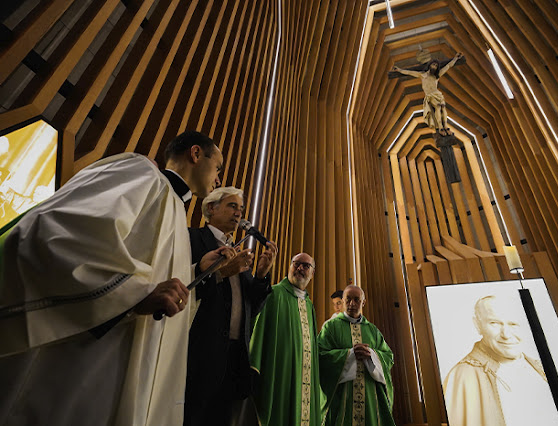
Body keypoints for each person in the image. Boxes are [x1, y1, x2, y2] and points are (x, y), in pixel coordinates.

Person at [0, 131, 234, 426]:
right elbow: (56, 234)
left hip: (129, 360)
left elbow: (154, 280)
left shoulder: (175, 210)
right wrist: (133, 295)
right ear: (196, 154)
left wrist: (196, 271)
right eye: (218, 167)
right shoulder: (141, 174)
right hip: (84, 361)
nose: (218, 178)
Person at [184, 187, 277, 426]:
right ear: (211, 208)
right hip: (200, 352)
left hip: (235, 355)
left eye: (241, 209)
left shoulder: (238, 250)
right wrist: (220, 273)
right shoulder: (193, 239)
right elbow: (184, 286)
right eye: (232, 206)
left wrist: (262, 274)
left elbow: (251, 307)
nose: (238, 213)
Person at [443, 294, 558, 426]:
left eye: (513, 324)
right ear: (478, 325)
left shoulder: (540, 366)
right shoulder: (463, 376)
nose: (506, 334)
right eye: (494, 323)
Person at [248, 253, 322, 425]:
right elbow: (258, 333)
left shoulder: (309, 305)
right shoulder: (274, 294)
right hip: (279, 377)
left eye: (305, 266)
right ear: (289, 266)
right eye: (296, 264)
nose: (300, 268)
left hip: (304, 379)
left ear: (313, 273)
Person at [317, 285, 395, 426]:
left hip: (369, 395)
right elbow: (320, 356)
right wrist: (349, 355)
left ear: (363, 302)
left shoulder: (372, 330)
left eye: (356, 300)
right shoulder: (330, 327)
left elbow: (388, 357)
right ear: (342, 301)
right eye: (348, 300)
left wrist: (372, 355)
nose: (352, 304)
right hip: (342, 396)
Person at [392, 53, 463, 136]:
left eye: (436, 66)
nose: (434, 67)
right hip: (430, 95)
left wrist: (455, 58)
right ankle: (440, 127)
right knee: (438, 107)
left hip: (437, 94)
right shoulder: (423, 75)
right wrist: (399, 70)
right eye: (433, 65)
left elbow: (448, 66)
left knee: (443, 109)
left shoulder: (437, 75)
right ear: (429, 65)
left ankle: (446, 127)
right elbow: (409, 72)